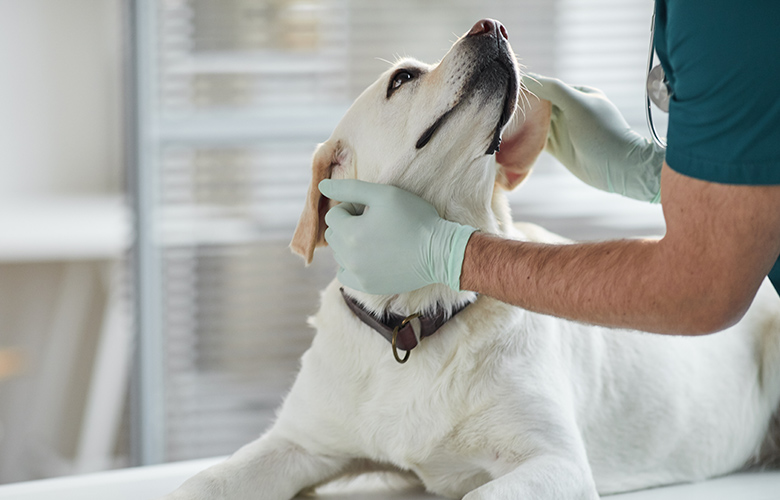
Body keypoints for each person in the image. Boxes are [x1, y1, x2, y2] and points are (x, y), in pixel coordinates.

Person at [318, 0, 780, 336]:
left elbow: (702, 287)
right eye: (404, 80)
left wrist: (453, 255)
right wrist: (655, 172)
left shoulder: (721, 14)